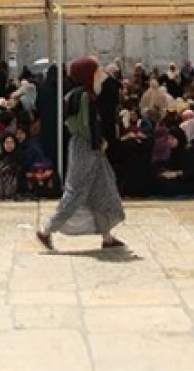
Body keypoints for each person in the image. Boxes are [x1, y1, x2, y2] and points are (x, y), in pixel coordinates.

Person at [35, 57, 126, 251]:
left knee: (102, 188)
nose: (100, 72)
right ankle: (46, 230)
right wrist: (98, 142)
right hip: (86, 147)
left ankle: (107, 236)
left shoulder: (82, 94)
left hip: (89, 146)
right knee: (77, 191)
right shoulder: (82, 97)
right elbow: (84, 127)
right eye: (96, 70)